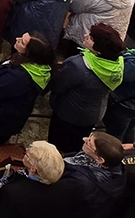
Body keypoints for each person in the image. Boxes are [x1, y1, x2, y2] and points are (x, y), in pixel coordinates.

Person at [47, 23, 126, 151]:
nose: (85, 35)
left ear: (98, 48)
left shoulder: (79, 66)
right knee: (76, 145)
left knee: (57, 145)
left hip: (68, 113)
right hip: (93, 113)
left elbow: (59, 85)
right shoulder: (117, 63)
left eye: (91, 37)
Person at [0, 33, 55, 145]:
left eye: (22, 42)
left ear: (29, 53)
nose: (17, 39)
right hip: (1, 113)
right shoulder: (25, 60)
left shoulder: (19, 77)